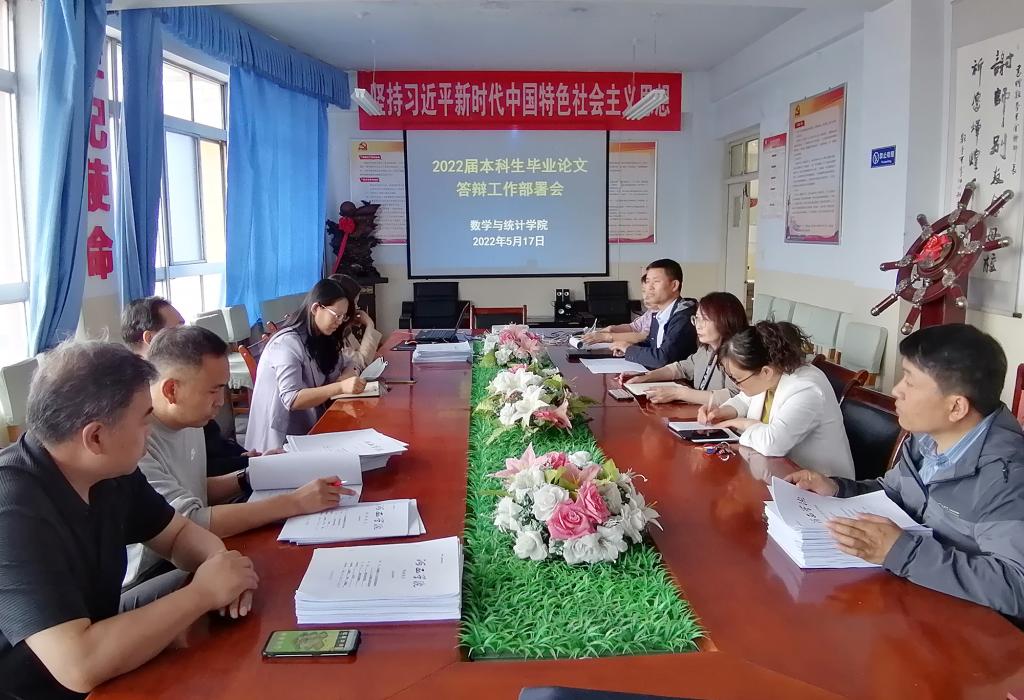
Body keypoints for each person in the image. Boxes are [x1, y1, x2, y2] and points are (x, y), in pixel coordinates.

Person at [0, 341, 258, 699]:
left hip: (99, 631)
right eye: (144, 419)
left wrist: (222, 568)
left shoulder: (110, 470)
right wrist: (204, 593)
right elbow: (79, 665)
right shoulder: (13, 510)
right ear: (95, 437)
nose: (150, 431)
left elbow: (178, 535)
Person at [786, 324, 1024, 623]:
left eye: (909, 381)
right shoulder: (927, 437)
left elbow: (1016, 586)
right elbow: (894, 492)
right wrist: (838, 489)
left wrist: (903, 552)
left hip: (969, 628)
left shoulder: (1007, 477)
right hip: (911, 597)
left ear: (956, 407)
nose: (896, 390)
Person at [127, 327, 350, 589]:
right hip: (154, 570)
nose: (221, 401)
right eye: (213, 391)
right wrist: (295, 502)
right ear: (171, 390)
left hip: (196, 552)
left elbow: (193, 489)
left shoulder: (190, 418)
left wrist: (251, 475)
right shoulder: (135, 442)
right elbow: (189, 523)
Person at [699, 320, 855, 478]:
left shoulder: (806, 388)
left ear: (766, 372)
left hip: (820, 484)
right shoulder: (770, 372)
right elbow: (744, 399)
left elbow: (772, 443)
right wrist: (722, 412)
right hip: (776, 471)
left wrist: (743, 423)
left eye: (737, 379)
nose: (736, 385)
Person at [121, 296, 249, 477]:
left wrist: (250, 463)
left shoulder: (190, 408)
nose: (185, 334)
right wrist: (248, 465)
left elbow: (201, 476)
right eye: (177, 328)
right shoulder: (137, 423)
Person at [245, 278, 368, 452]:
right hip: (279, 439)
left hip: (308, 427)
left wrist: (348, 373)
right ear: (316, 308)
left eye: (344, 317)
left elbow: (349, 361)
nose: (340, 322)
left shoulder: (322, 337)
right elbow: (292, 398)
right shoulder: (287, 343)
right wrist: (340, 387)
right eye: (336, 315)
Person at [624, 292, 747, 405]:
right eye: (697, 319)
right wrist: (647, 376)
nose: (698, 326)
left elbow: (735, 396)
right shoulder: (706, 350)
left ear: (726, 320)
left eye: (705, 319)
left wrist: (679, 393)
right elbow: (681, 368)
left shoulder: (739, 355)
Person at [610, 259, 698, 370]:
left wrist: (629, 349)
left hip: (677, 379)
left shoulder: (683, 316)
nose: (649, 287)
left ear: (674, 285)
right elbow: (653, 344)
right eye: (647, 281)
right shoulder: (660, 313)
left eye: (656, 281)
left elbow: (663, 358)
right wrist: (629, 347)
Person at [329, 273, 384, 372]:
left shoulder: (345, 329)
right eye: (355, 303)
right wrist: (369, 325)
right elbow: (362, 362)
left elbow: (361, 353)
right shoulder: (332, 332)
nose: (357, 307)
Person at [581, 273, 653, 347]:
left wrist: (607, 337)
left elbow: (645, 336)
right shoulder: (650, 312)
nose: (646, 296)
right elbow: (633, 327)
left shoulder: (659, 315)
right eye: (644, 291)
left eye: (651, 291)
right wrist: (611, 329)